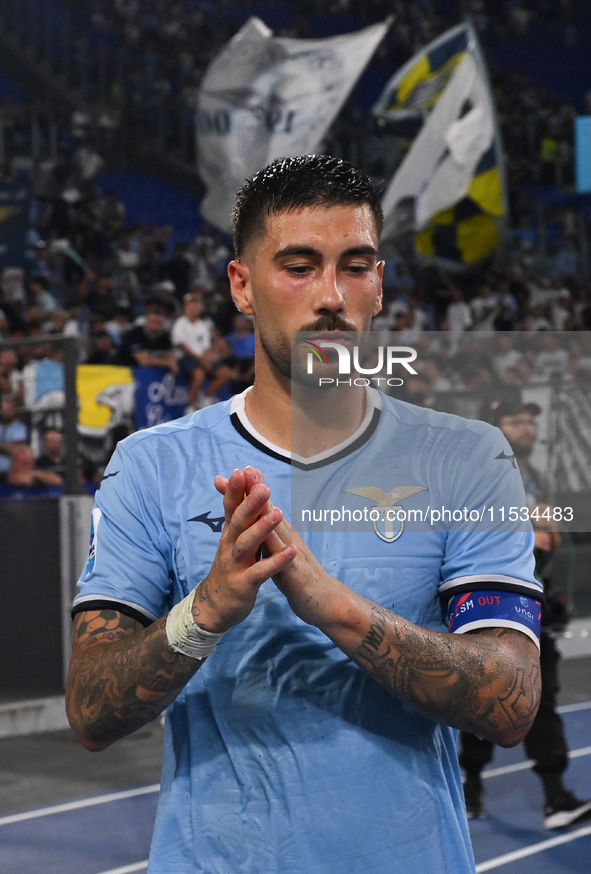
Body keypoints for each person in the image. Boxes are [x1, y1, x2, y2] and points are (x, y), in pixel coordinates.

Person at [66, 155, 543, 874]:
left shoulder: (468, 459)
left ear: (379, 285)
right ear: (241, 286)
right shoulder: (151, 464)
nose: (330, 295)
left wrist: (335, 609)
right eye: (298, 266)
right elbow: (90, 712)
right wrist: (206, 611)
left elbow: (511, 704)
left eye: (355, 265)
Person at [459, 398, 591, 830]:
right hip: (489, 607)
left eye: (530, 421)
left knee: (543, 699)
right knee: (482, 701)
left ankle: (555, 797)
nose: (528, 427)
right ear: (495, 426)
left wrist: (545, 535)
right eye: (517, 421)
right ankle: (470, 785)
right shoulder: (479, 472)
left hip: (533, 605)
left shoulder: (534, 475)